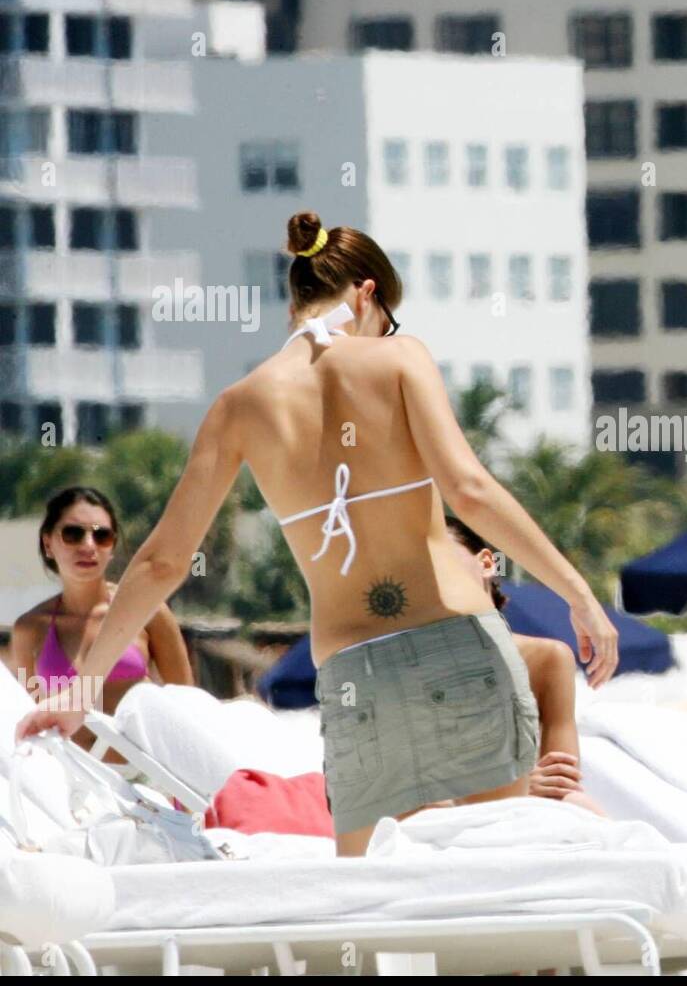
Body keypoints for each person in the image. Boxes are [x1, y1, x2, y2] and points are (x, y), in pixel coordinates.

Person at [16, 211, 618, 856]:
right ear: (367, 293)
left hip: (357, 672)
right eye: (388, 317)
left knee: (371, 895)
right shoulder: (398, 357)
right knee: (507, 878)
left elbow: (163, 561)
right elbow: (469, 489)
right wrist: (578, 596)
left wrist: (80, 695)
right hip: (458, 645)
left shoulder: (240, 405)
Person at [9, 486, 193, 757]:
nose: (88, 546)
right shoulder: (30, 629)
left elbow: (187, 703)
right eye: (73, 534)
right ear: (48, 543)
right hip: (71, 782)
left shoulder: (148, 611)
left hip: (146, 781)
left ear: (113, 546)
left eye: (102, 535)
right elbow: (30, 712)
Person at [443, 516, 605, 815]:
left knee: (579, 807)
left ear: (487, 563)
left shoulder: (548, 659)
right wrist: (511, 786)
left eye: (442, 559)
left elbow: (562, 780)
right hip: (445, 813)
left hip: (529, 811)